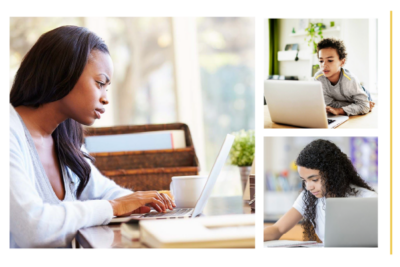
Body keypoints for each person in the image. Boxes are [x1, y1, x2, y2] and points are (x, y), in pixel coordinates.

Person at [9, 25, 175, 248]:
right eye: (100, 83)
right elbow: (33, 228)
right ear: (64, 71)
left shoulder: (64, 140)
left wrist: (148, 203)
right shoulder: (12, 132)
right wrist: (114, 207)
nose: (106, 98)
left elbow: (106, 192)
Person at [262, 139, 378, 243]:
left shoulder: (370, 200)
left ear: (333, 174)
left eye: (314, 180)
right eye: (305, 181)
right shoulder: (308, 197)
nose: (309, 187)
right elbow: (278, 229)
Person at [313, 38, 375, 116]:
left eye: (330, 60)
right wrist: (354, 105)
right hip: (347, 101)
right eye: (321, 61)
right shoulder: (318, 78)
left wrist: (340, 110)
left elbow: (364, 105)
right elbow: (329, 104)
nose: (324, 65)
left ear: (342, 62)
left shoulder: (350, 80)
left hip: (360, 93)